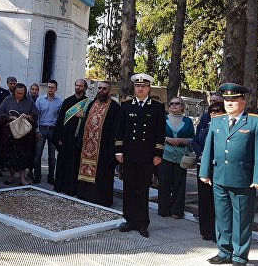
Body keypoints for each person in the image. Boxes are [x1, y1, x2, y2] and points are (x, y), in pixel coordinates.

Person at [200, 82, 258, 266]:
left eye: (234, 99)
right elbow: (209, 149)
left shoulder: (255, 122)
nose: (230, 103)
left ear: (243, 101)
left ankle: (239, 256)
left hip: (243, 179)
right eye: (227, 100)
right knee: (222, 217)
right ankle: (224, 251)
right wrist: (204, 172)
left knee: (241, 220)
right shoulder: (217, 121)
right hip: (220, 177)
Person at [115, 73, 166, 238]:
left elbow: (160, 133)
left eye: (144, 86)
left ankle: (143, 223)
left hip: (147, 156)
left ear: (149, 88)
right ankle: (129, 221)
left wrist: (158, 154)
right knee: (129, 189)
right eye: (138, 86)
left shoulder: (157, 107)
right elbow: (120, 129)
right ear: (134, 88)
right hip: (129, 155)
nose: (141, 89)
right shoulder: (126, 105)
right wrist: (119, 151)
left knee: (143, 190)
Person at [75, 81, 120, 207]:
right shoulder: (91, 104)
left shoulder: (115, 108)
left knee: (102, 174)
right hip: (87, 148)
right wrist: (80, 142)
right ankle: (84, 195)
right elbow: (84, 124)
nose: (101, 90)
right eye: (99, 88)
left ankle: (100, 199)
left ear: (109, 91)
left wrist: (113, 150)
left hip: (104, 149)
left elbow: (116, 130)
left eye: (104, 89)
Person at [192, 95, 225, 241]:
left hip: (218, 167)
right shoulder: (205, 120)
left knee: (217, 200)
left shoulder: (226, 124)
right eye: (211, 106)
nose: (214, 111)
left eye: (217, 107)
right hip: (203, 165)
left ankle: (218, 232)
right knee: (204, 199)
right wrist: (201, 154)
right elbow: (195, 139)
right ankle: (206, 231)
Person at [157, 96, 195, 219]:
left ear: (182, 106)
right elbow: (155, 135)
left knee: (179, 185)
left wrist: (181, 140)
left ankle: (177, 211)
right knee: (164, 184)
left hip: (181, 157)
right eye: (172, 103)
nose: (174, 105)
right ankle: (163, 210)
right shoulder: (163, 119)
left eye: (177, 103)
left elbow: (192, 139)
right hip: (165, 155)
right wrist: (167, 139)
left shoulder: (188, 121)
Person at [0, 83, 39, 185]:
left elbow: (35, 116)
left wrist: (28, 116)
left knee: (23, 157)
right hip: (10, 133)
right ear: (14, 91)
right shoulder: (7, 100)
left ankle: (23, 179)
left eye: (21, 93)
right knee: (11, 155)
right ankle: (11, 178)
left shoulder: (30, 101)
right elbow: (0, 113)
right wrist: (11, 117)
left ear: (25, 93)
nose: (19, 95)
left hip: (25, 135)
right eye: (17, 93)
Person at [53, 79, 89, 196]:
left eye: (80, 86)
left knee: (75, 164)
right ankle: (60, 186)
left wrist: (84, 116)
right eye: (76, 85)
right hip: (65, 138)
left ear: (84, 88)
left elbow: (92, 120)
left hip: (79, 139)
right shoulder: (67, 101)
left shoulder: (88, 103)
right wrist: (59, 137)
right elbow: (60, 121)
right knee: (63, 162)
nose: (78, 87)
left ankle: (72, 189)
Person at [34, 80, 62, 184]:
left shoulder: (60, 102)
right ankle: (37, 176)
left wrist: (58, 134)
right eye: (48, 87)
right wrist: (37, 130)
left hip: (53, 130)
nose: (50, 89)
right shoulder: (40, 100)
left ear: (56, 89)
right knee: (38, 154)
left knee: (52, 156)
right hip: (41, 129)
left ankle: (51, 178)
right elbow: (36, 116)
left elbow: (60, 119)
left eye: (52, 87)